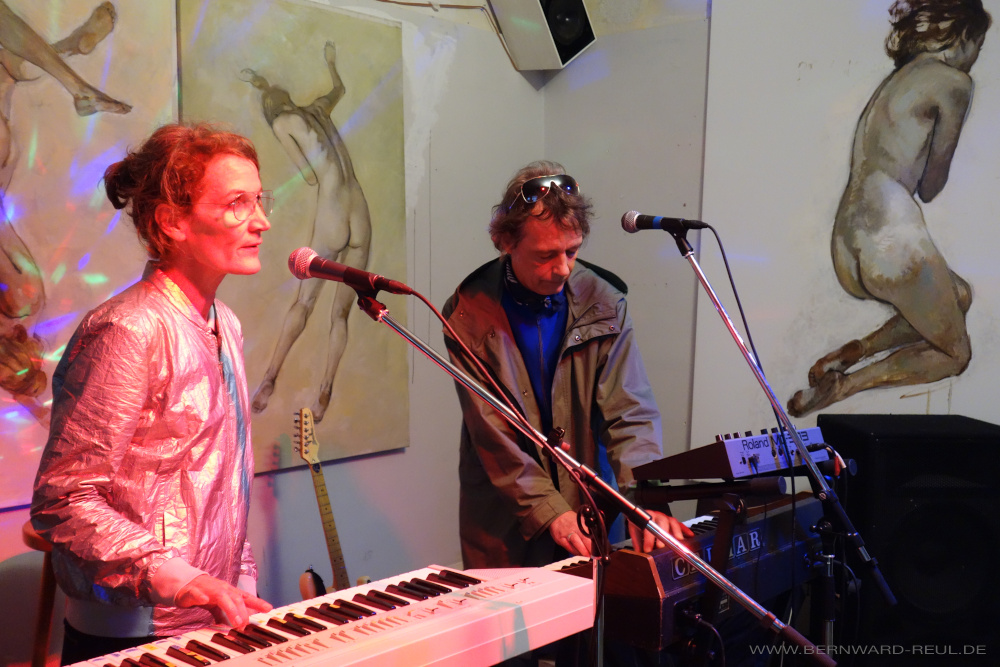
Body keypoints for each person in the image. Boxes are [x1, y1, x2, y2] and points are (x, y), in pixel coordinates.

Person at [30, 123, 273, 664]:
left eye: (259, 200)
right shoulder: (126, 330)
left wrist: (237, 582)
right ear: (172, 221)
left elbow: (220, 479)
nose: (261, 221)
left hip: (211, 618)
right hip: (131, 631)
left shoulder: (225, 322)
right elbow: (65, 500)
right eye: (237, 204)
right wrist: (180, 580)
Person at [442, 161, 692, 573]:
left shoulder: (605, 301)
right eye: (545, 255)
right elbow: (493, 434)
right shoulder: (468, 314)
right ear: (505, 242)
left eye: (572, 251)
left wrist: (644, 499)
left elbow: (630, 413)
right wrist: (550, 512)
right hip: (505, 520)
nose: (562, 268)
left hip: (593, 506)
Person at [788, 0, 991, 417]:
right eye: (979, 45)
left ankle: (853, 352)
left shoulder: (898, 78)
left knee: (958, 295)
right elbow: (931, 186)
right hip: (891, 234)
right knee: (955, 354)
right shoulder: (954, 83)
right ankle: (845, 385)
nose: (977, 56)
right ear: (964, 36)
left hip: (848, 240)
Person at [0, 1, 131, 424]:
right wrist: (38, 408)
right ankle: (75, 76)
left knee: (7, 70)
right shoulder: (19, 303)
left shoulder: (25, 303)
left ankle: (72, 50)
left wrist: (38, 408)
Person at [241, 41, 373, 423]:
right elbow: (339, 89)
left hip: (333, 208)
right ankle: (326, 389)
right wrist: (331, 62)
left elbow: (310, 176)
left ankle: (269, 378)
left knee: (304, 303)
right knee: (340, 314)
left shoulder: (282, 124)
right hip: (359, 208)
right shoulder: (317, 108)